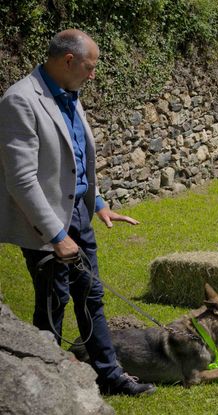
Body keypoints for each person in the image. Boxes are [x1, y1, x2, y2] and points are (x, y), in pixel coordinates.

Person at [0, 29, 156, 396]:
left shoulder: (71, 93)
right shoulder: (19, 100)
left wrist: (98, 203)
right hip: (47, 225)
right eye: (90, 66)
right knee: (54, 303)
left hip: (79, 217)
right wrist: (56, 236)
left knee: (92, 295)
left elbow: (75, 161)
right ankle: (44, 381)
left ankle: (109, 375)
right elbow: (21, 180)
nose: (93, 74)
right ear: (68, 61)